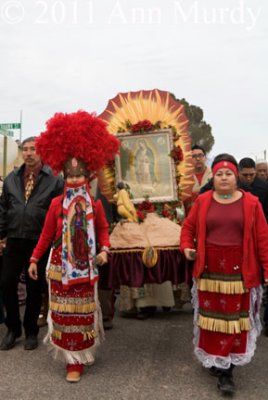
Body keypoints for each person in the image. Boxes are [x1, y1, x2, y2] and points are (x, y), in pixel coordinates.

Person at [28, 110, 119, 383]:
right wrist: (34, 259)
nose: (76, 180)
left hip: (87, 267)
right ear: (64, 176)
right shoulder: (57, 204)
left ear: (88, 177)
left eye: (80, 176)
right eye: (71, 176)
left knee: (84, 314)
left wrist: (104, 250)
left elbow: (103, 230)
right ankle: (70, 361)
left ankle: (82, 354)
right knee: (64, 314)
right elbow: (45, 235)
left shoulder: (95, 204)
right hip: (59, 268)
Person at [180, 153, 268, 395]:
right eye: (219, 173)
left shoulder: (251, 203)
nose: (224, 177)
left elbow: (262, 239)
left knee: (233, 322)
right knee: (211, 321)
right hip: (209, 272)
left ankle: (226, 371)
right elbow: (188, 227)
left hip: (239, 273)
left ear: (236, 176)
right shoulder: (203, 201)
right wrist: (187, 247)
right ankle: (217, 358)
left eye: (228, 173)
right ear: (214, 176)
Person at [0, 137, 63, 351]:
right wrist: (2, 235)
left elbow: (59, 213)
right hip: (14, 239)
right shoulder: (11, 179)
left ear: (41, 152)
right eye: (25, 149)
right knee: (6, 283)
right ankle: (13, 329)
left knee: (34, 287)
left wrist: (55, 241)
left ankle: (31, 331)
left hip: (39, 241)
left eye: (33, 149)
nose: (28, 153)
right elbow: (3, 208)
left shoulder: (54, 180)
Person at [184, 144, 212, 213]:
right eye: (194, 156)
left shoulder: (214, 175)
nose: (198, 159)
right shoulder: (184, 178)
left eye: (200, 155)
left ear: (205, 158)